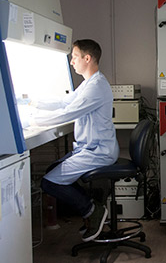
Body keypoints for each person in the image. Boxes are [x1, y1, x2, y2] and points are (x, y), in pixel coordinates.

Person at [22, 39, 119, 242]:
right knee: (52, 173)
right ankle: (91, 207)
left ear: (87, 58)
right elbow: (64, 102)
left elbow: (67, 113)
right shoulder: (90, 84)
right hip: (91, 148)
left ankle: (92, 210)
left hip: (98, 151)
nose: (72, 62)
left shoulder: (96, 87)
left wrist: (30, 120)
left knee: (49, 182)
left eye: (74, 57)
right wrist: (32, 101)